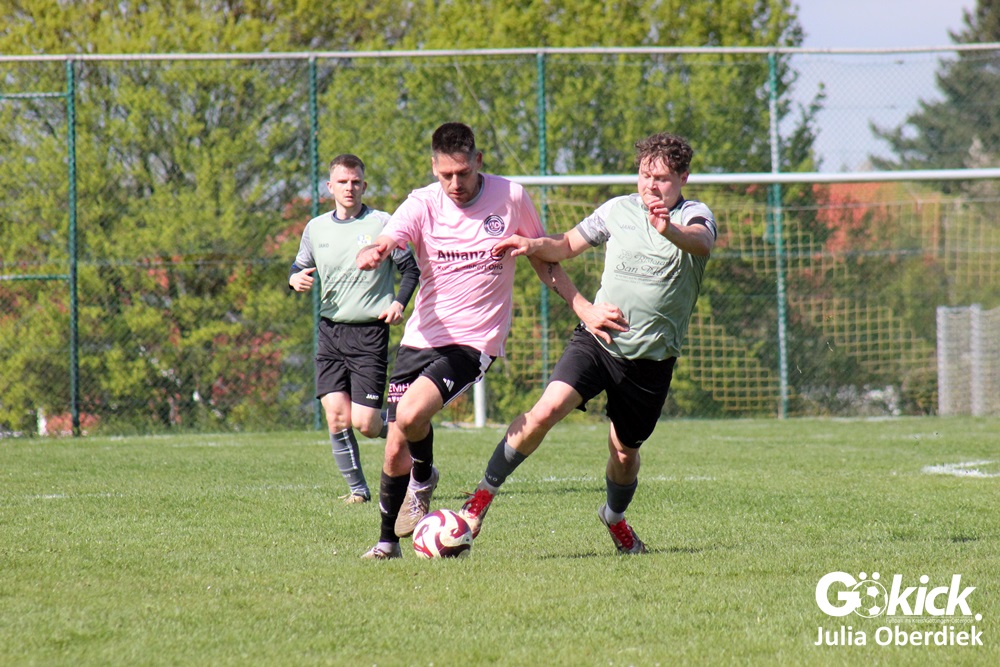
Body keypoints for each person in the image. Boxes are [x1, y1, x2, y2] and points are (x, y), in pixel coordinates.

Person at [355, 122, 625, 559]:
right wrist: (377, 248)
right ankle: (388, 542)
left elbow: (544, 256)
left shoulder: (511, 197)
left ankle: (421, 481)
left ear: (478, 161)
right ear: (433, 168)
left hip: (474, 340)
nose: (455, 183)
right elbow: (392, 236)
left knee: (410, 414)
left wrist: (583, 307)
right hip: (422, 335)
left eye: (463, 172)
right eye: (446, 175)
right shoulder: (422, 203)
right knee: (395, 444)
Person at [457, 132, 717, 555]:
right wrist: (533, 244)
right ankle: (480, 499)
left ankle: (614, 517)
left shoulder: (694, 215)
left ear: (683, 178)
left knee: (624, 454)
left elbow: (701, 243)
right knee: (545, 411)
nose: (651, 186)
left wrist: (667, 229)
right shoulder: (617, 210)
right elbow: (565, 245)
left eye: (662, 178)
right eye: (645, 175)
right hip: (597, 340)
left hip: (650, 362)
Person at [289, 154, 419, 504]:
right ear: (329, 187)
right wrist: (293, 279)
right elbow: (299, 266)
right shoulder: (315, 228)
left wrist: (398, 303)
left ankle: (412, 436)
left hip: (369, 334)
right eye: (343, 182)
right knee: (336, 416)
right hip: (330, 332)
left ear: (364, 185)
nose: (350, 188)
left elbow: (411, 270)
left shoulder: (383, 224)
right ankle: (358, 491)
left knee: (366, 424)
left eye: (356, 182)